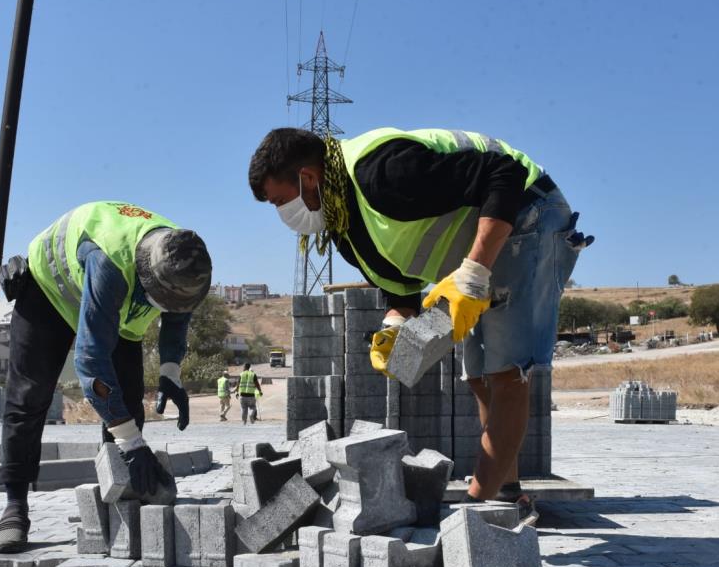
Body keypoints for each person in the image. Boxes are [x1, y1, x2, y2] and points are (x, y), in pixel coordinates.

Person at [248, 127, 592, 504]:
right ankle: (506, 493)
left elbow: (503, 174)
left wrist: (474, 275)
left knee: (507, 372)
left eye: (280, 201)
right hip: (483, 239)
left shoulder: (381, 172)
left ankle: (478, 510)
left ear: (308, 178)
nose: (282, 214)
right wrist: (395, 328)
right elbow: (401, 289)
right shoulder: (346, 228)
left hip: (527, 210)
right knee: (479, 376)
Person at [0, 201, 212, 550]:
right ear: (146, 277)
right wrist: (132, 443)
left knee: (127, 402)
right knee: (29, 397)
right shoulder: (111, 264)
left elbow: (177, 316)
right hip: (49, 294)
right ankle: (14, 506)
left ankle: (119, 502)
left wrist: (171, 371)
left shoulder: (186, 260)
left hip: (114, 309)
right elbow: (91, 364)